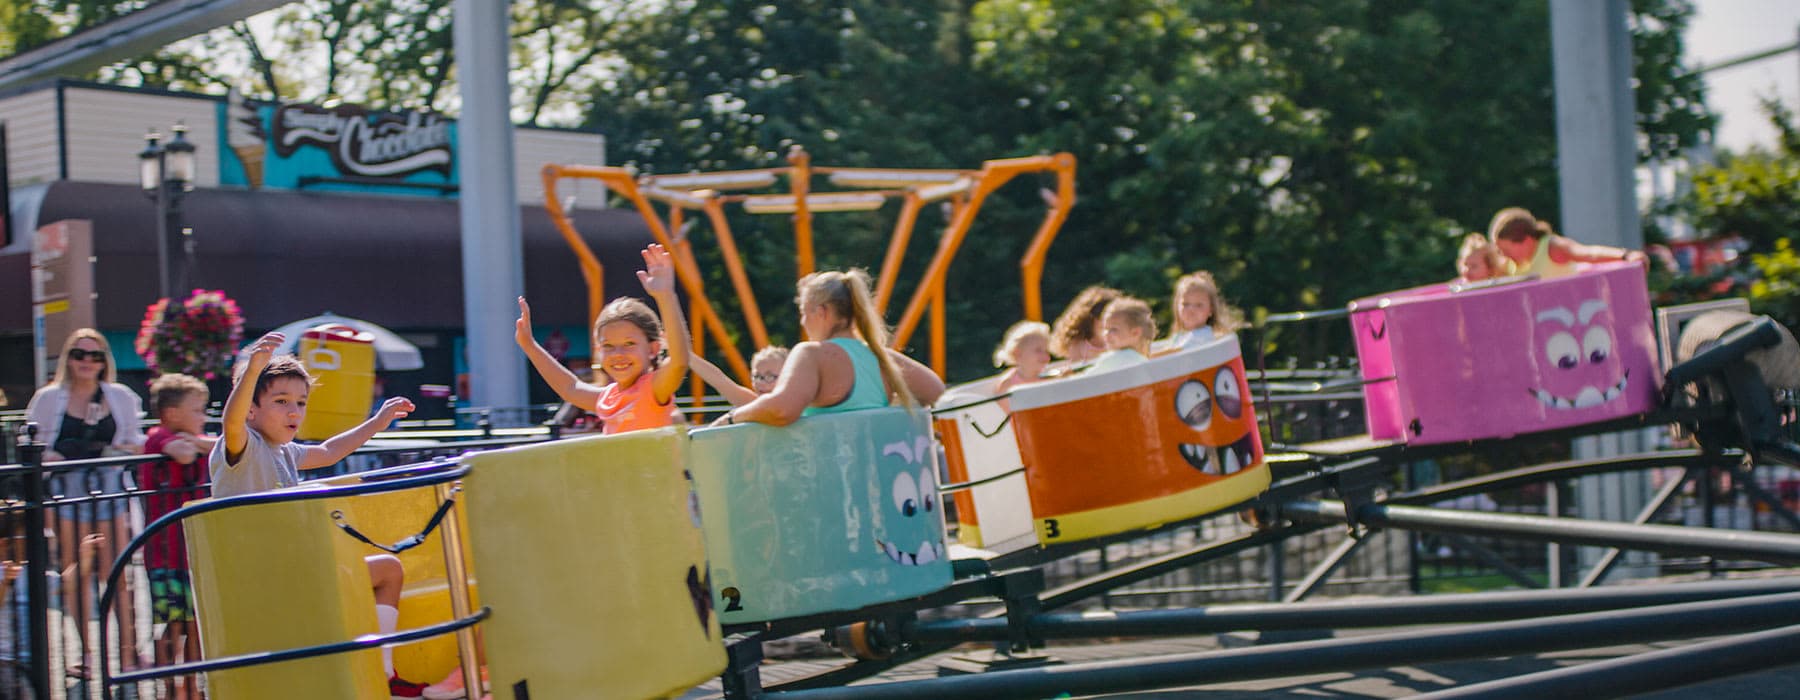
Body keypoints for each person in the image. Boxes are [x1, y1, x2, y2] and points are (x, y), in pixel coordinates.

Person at [209, 332, 425, 697]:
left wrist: (377, 421)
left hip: (293, 569)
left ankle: (384, 673)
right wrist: (253, 371)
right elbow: (231, 423)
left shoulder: (285, 451)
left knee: (389, 570)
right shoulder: (243, 445)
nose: (294, 411)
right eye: (280, 401)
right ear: (251, 408)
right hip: (256, 576)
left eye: (300, 402)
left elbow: (327, 451)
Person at [22, 328, 145, 676]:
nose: (87, 361)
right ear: (68, 359)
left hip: (108, 491)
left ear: (105, 361)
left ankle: (130, 651)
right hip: (66, 494)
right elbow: (30, 446)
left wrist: (113, 450)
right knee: (77, 573)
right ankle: (89, 655)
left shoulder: (119, 396)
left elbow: (135, 441)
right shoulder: (48, 398)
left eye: (95, 355)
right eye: (80, 354)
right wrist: (56, 456)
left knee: (117, 573)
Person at [712, 269, 944, 426]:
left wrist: (733, 418)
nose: (802, 322)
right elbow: (936, 393)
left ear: (821, 312)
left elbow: (782, 409)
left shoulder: (811, 354)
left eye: (803, 312)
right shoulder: (882, 357)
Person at [515, 244, 690, 435]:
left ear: (653, 349)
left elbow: (679, 362)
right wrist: (530, 345)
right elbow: (569, 387)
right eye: (608, 346)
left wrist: (666, 296)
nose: (618, 354)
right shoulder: (608, 396)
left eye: (629, 344)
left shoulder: (653, 388)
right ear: (599, 351)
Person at [139, 373, 214, 700]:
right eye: (197, 410)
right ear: (171, 414)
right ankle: (168, 684)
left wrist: (197, 441)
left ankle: (193, 686)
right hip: (165, 552)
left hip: (192, 551)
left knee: (197, 622)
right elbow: (182, 454)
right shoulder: (157, 437)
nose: (203, 416)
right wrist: (196, 443)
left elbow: (220, 446)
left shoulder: (191, 437)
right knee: (174, 625)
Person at [1487, 207, 1646, 279]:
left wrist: (1626, 255)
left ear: (1526, 241)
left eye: (1506, 250)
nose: (1504, 256)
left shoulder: (1552, 248)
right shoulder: (1509, 264)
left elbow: (1589, 253)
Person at [1165, 271, 1244, 349]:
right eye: (1185, 304)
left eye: (1199, 305)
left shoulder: (1204, 336)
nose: (1191, 309)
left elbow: (1183, 351)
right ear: (1177, 307)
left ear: (1210, 310)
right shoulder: (1178, 337)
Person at [690, 346, 790, 407]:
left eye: (769, 376)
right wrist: (686, 355)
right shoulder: (754, 404)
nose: (761, 382)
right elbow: (720, 381)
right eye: (757, 376)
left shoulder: (802, 405)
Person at [1049, 286, 1121, 363]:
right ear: (1089, 318)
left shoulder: (1122, 339)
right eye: (1102, 316)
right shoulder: (1079, 345)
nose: (1107, 323)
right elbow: (1076, 369)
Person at [1087, 297, 1157, 374]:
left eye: (1113, 329)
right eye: (1105, 329)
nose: (1106, 334)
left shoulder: (1112, 360)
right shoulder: (1143, 359)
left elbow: (1084, 380)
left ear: (1135, 333)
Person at [992, 321, 1052, 396]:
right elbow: (1002, 407)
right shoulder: (1008, 384)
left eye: (1046, 350)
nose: (1045, 355)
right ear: (1017, 353)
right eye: (1038, 350)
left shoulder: (1049, 377)